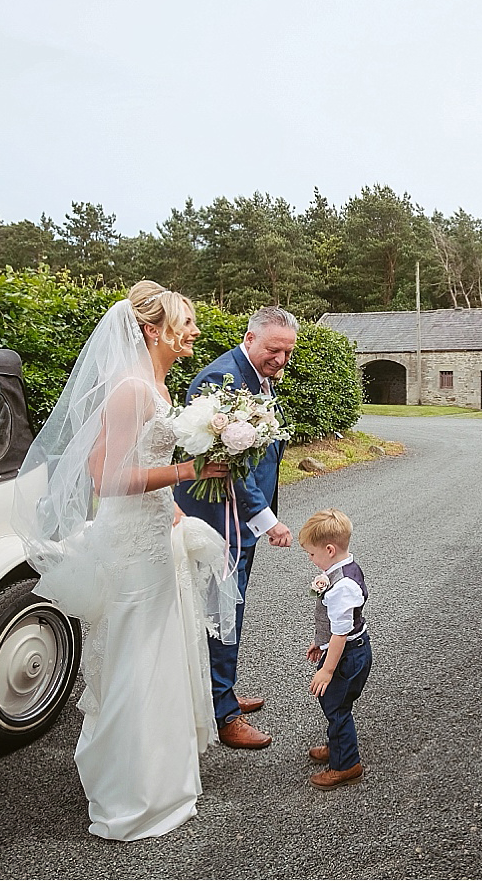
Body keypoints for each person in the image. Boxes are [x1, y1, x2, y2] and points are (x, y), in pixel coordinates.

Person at [14, 280, 234, 841]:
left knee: (156, 653)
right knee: (136, 658)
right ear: (151, 330)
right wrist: (190, 473)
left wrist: (173, 506)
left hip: (154, 531)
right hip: (131, 543)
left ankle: (161, 781)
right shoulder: (131, 389)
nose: (194, 332)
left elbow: (114, 456)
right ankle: (132, 796)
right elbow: (105, 477)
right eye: (185, 321)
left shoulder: (154, 385)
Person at [174, 306, 297, 749]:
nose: (280, 360)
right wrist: (266, 520)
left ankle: (218, 692)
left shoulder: (255, 376)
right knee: (220, 611)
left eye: (287, 352)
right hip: (219, 517)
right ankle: (222, 714)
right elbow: (227, 466)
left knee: (229, 608)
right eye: (272, 350)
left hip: (236, 518)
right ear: (249, 339)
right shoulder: (220, 380)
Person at [300, 508, 373, 790]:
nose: (310, 559)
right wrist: (320, 641)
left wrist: (327, 671)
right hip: (347, 649)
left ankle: (346, 764)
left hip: (347, 656)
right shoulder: (343, 569)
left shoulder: (342, 585)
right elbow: (334, 625)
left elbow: (342, 632)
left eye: (311, 554)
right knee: (336, 702)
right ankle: (338, 745)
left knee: (336, 705)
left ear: (329, 550)